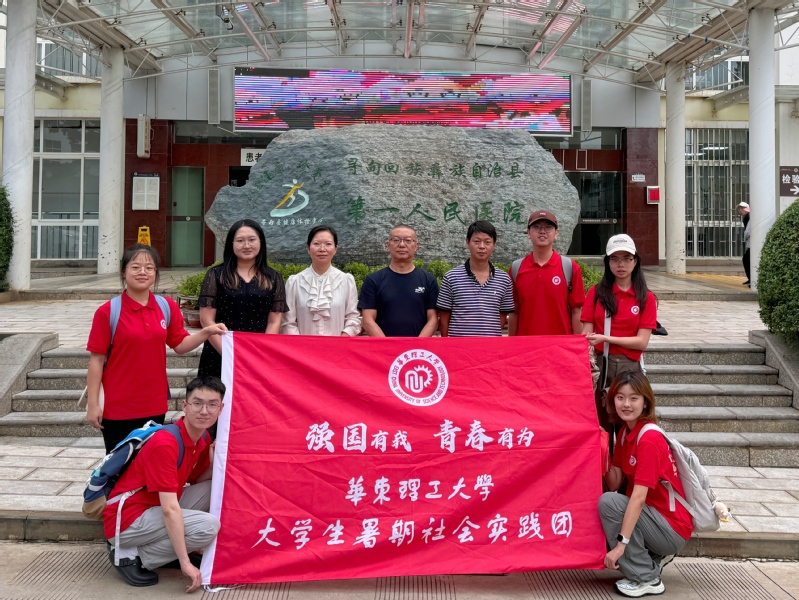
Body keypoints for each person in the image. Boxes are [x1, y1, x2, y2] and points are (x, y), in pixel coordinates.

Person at [86, 244, 227, 453]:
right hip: (117, 406)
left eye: (149, 267)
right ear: (124, 272)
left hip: (154, 403)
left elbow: (180, 345)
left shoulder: (166, 307)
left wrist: (206, 332)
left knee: (150, 461)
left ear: (156, 273)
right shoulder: (108, 311)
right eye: (135, 267)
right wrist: (93, 404)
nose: (142, 272)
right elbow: (96, 361)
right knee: (118, 465)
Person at [104, 376, 225, 591]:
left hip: (153, 509)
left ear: (221, 409)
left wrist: (213, 464)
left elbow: (197, 481)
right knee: (208, 526)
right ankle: (132, 555)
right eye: (197, 403)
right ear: (185, 406)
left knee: (216, 488)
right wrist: (185, 562)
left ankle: (166, 551)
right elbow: (169, 509)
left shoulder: (202, 437)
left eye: (212, 405)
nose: (204, 411)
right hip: (127, 519)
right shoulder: (165, 443)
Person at [599, 371, 693, 598]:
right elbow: (615, 481)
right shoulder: (625, 432)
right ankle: (649, 561)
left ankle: (646, 577)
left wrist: (621, 546)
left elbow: (639, 498)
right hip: (653, 518)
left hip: (670, 527)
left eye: (634, 398)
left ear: (645, 402)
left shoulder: (649, 439)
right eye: (620, 397)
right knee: (609, 501)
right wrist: (600, 445)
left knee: (609, 504)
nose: (626, 404)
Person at [198, 219, 287, 378]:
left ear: (261, 242)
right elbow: (207, 321)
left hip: (259, 355)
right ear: (231, 244)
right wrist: (229, 354)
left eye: (252, 240)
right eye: (240, 241)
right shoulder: (216, 275)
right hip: (220, 353)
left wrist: (263, 352)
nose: (246, 245)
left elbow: (274, 321)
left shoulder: (273, 277)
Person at [581, 234, 657, 385]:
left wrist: (606, 338)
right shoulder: (595, 293)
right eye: (614, 259)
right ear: (607, 262)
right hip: (599, 364)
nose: (620, 264)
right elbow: (586, 335)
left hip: (630, 367)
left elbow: (642, 342)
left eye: (627, 258)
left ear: (635, 261)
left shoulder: (646, 298)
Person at [508, 210, 585, 336]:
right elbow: (514, 312)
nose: (542, 231)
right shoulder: (517, 269)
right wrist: (512, 343)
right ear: (528, 233)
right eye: (536, 227)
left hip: (560, 344)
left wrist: (577, 343)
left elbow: (577, 311)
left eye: (548, 227)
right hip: (527, 344)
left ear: (556, 234)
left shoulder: (570, 267)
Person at [358, 224, 439, 337]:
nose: (402, 245)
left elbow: (433, 319)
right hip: (383, 345)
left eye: (408, 240)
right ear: (388, 245)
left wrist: (417, 345)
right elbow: (368, 320)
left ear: (416, 246)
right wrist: (387, 345)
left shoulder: (429, 280)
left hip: (418, 347)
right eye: (396, 240)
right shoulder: (373, 280)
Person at [437, 220, 514, 337]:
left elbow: (502, 316)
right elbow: (444, 318)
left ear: (494, 244)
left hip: (490, 345)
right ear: (467, 242)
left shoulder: (504, 279)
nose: (482, 246)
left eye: (487, 242)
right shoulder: (451, 277)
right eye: (477, 241)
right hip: (459, 345)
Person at [280, 225, 361, 336]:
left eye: (328, 244)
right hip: (302, 346)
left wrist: (342, 340)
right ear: (308, 248)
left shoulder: (346, 281)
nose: (322, 249)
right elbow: (288, 323)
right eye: (316, 244)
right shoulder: (295, 282)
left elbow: (353, 318)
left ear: (335, 249)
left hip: (338, 345)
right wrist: (301, 344)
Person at [738, 201, 751, 286]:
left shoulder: (748, 217)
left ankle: (751, 279)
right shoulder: (746, 217)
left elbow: (748, 231)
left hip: (751, 243)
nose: (740, 210)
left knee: (746, 259)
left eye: (742, 208)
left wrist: (745, 237)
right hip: (749, 243)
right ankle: (750, 278)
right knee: (746, 259)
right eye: (739, 209)